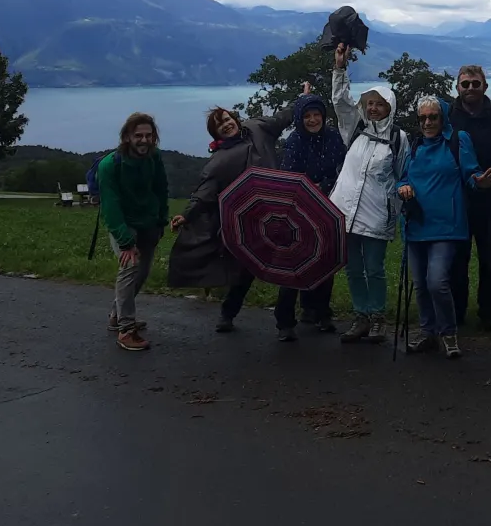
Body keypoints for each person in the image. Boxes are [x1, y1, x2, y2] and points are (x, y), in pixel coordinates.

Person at [167, 93, 300, 338]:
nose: (226, 124)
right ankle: (227, 313)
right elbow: (205, 191)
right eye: (220, 125)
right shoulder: (220, 161)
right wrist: (187, 215)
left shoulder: (258, 127)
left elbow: (283, 118)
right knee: (245, 270)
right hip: (248, 220)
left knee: (287, 266)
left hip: (279, 211)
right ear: (216, 134)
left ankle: (286, 324)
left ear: (234, 118)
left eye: (227, 118)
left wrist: (300, 100)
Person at [397, 96, 491, 358]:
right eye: (423, 118)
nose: (428, 122)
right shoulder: (415, 145)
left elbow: (470, 172)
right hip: (416, 224)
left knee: (437, 281)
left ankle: (449, 333)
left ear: (443, 118)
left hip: (447, 225)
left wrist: (481, 182)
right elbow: (403, 177)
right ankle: (428, 332)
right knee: (420, 284)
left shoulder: (457, 140)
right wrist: (403, 188)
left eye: (433, 117)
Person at [329, 42, 408, 344]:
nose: (373, 108)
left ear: (390, 107)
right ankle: (360, 316)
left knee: (373, 269)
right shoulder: (355, 129)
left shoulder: (398, 139)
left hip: (376, 216)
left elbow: (403, 175)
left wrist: (397, 207)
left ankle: (377, 317)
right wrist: (340, 68)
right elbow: (339, 101)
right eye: (369, 103)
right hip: (345, 212)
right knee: (352, 268)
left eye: (380, 104)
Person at [274, 91, 347, 337]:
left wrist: (323, 186)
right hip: (297, 209)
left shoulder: (334, 138)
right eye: (307, 116)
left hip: (327, 205)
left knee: (325, 262)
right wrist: (307, 189)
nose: (313, 120)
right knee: (293, 263)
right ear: (299, 118)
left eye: (317, 115)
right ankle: (285, 322)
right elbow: (288, 175)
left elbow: (342, 170)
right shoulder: (295, 140)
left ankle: (319, 312)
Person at [99, 112, 170, 352]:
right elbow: (110, 205)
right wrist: (125, 240)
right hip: (124, 223)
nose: (144, 140)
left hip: (149, 223)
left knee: (142, 272)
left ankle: (116, 316)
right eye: (138, 135)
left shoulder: (154, 157)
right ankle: (126, 329)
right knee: (129, 267)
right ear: (127, 137)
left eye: (149, 135)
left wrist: (161, 220)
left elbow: (161, 188)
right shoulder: (110, 165)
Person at [448, 63, 491, 331]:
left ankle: (489, 315)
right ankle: (456, 313)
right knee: (457, 260)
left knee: (490, 259)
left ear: (485, 86)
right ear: (457, 87)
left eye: (476, 83)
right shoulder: (448, 115)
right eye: (465, 84)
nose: (470, 88)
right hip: (457, 198)